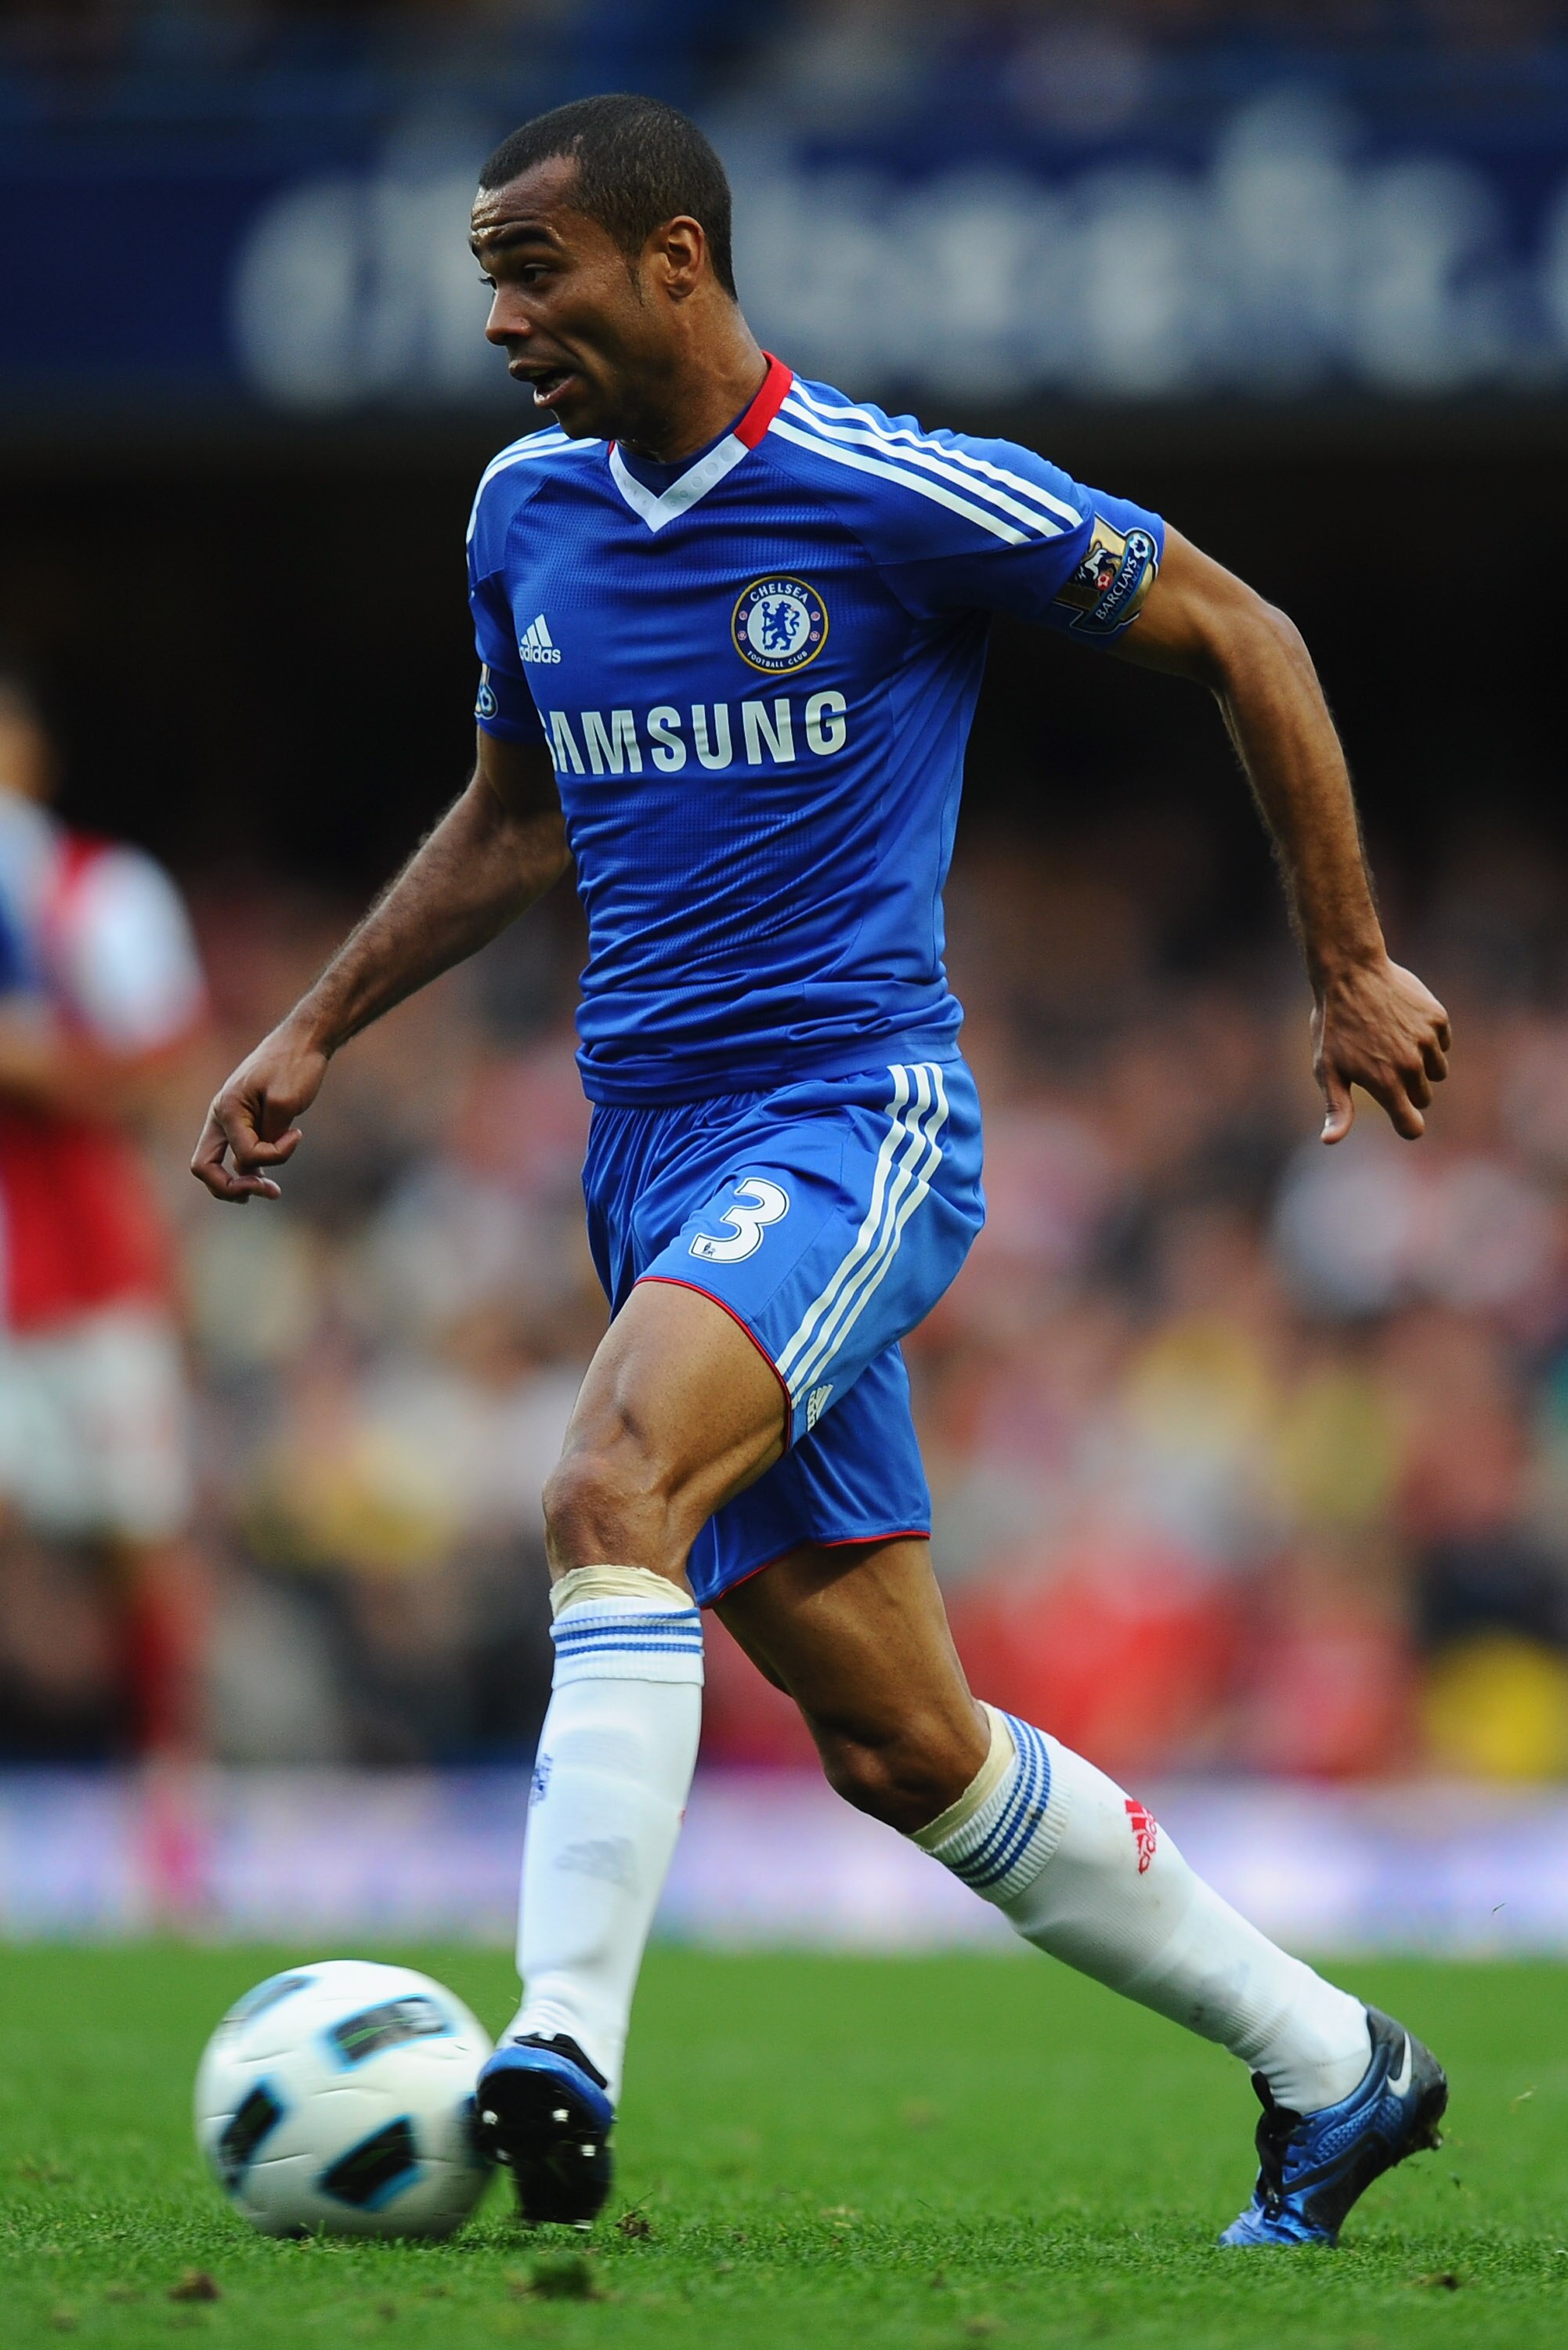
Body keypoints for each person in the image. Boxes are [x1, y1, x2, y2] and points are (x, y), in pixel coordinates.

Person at [193, 94, 1454, 2247]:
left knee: (606, 1490)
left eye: (535, 271)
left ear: (674, 259)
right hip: (649, 1153)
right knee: (899, 1743)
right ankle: (1338, 2068)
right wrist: (321, 1018)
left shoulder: (884, 491)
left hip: (848, 1116)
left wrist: (1343, 965)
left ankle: (560, 2043)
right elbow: (519, 804)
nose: (502, 321)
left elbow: (1248, 634)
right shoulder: (523, 516)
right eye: (488, 279)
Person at [0, 660, 208, 1780]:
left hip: (84, 1267)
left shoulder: (101, 893)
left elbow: (165, 1068)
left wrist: (47, 1066)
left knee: (134, 1535)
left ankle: (167, 1790)